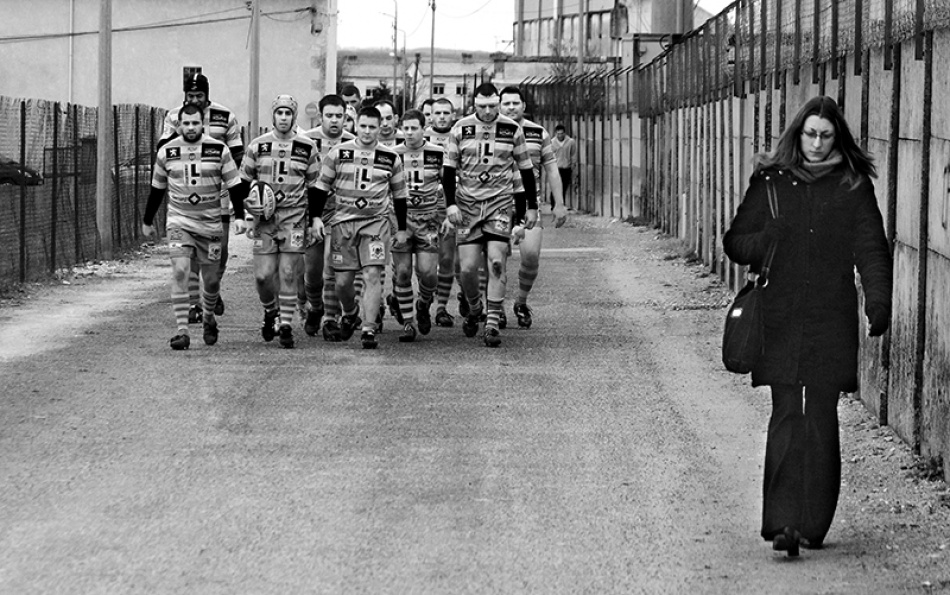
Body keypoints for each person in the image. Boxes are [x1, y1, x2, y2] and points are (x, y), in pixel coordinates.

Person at [723, 96, 892, 557]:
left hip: (829, 316)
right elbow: (734, 242)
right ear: (797, 134)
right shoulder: (772, 180)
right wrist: (765, 241)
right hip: (778, 313)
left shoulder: (853, 185)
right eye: (810, 134)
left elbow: (871, 249)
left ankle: (812, 524)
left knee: (819, 414)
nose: (817, 144)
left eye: (826, 135)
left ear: (838, 138)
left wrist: (878, 302)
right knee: (785, 411)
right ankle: (783, 522)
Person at [442, 82, 538, 347]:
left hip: (499, 204)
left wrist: (531, 207)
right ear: (474, 104)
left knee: (496, 262)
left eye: (493, 106)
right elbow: (448, 170)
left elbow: (526, 169)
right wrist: (450, 205)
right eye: (482, 106)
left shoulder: (512, 129)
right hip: (467, 205)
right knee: (467, 268)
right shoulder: (460, 128)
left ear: (498, 104)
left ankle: (492, 325)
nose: (488, 111)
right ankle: (474, 308)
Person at [143, 103, 242, 350]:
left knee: (211, 281)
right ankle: (182, 331)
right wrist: (147, 220)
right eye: (186, 123)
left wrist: (240, 216)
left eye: (195, 123)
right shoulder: (166, 152)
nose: (190, 127)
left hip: (210, 224)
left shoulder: (219, 150)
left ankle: (208, 317)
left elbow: (235, 186)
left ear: (202, 124)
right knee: (180, 271)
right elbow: (157, 189)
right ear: (179, 125)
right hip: (179, 221)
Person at [311, 106, 410, 349]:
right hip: (343, 223)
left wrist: (401, 228)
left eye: (372, 127)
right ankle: (350, 312)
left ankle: (369, 329)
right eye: (363, 126)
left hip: (375, 223)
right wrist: (315, 218)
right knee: (342, 282)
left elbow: (399, 196)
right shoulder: (338, 153)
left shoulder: (391, 158)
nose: (367, 131)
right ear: (355, 125)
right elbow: (321, 188)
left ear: (379, 128)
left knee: (372, 274)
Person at [238, 95, 323, 349]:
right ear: (273, 115)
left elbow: (316, 187)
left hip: (293, 216)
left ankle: (286, 326)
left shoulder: (307, 147)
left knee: (288, 272)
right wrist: (246, 210)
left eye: (288, 113)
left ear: (294, 117)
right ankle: (270, 311)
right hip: (264, 220)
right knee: (263, 276)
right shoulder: (258, 145)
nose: (283, 117)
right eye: (279, 113)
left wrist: (314, 219)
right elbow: (243, 182)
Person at [159, 73, 244, 323]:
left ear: (207, 94)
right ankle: (195, 303)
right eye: (190, 95)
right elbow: (162, 148)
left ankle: (212, 288)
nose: (194, 99)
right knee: (190, 252)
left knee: (221, 250)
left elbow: (238, 153)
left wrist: (230, 179)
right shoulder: (174, 116)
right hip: (187, 194)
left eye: (199, 95)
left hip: (218, 192)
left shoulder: (225, 116)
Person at [499, 85, 568, 329]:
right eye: (506, 103)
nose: (511, 107)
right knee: (497, 257)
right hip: (497, 203)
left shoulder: (538, 133)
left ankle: (521, 302)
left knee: (530, 256)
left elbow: (552, 170)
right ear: (499, 106)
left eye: (515, 103)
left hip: (529, 205)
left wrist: (559, 204)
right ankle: (495, 307)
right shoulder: (490, 132)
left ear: (524, 106)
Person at [301, 94, 355, 338]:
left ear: (345, 117)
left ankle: (330, 319)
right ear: (320, 116)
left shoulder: (353, 142)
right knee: (312, 272)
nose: (334, 120)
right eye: (329, 115)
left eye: (339, 116)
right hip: (311, 212)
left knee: (331, 266)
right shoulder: (306, 141)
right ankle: (316, 307)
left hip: (339, 213)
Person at [391, 108, 446, 342]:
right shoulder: (393, 154)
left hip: (428, 221)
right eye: (406, 128)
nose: (410, 133)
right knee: (403, 272)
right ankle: (408, 322)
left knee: (428, 273)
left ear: (424, 129)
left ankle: (423, 303)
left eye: (415, 128)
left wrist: (446, 215)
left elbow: (449, 186)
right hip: (401, 220)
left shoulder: (437, 153)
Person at [424, 97, 459, 328]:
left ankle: (441, 308)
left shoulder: (460, 136)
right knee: (425, 262)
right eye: (438, 113)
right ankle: (423, 302)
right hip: (424, 208)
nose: (442, 117)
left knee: (447, 258)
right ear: (431, 115)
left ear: (452, 115)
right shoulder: (421, 136)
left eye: (446, 112)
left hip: (450, 205)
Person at [551, 124, 576, 210]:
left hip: (566, 167)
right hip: (556, 167)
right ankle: (554, 205)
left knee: (564, 187)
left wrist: (573, 164)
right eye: (558, 134)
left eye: (561, 133)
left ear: (564, 133)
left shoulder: (571, 142)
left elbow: (573, 154)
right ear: (555, 133)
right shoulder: (552, 142)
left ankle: (561, 205)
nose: (560, 135)